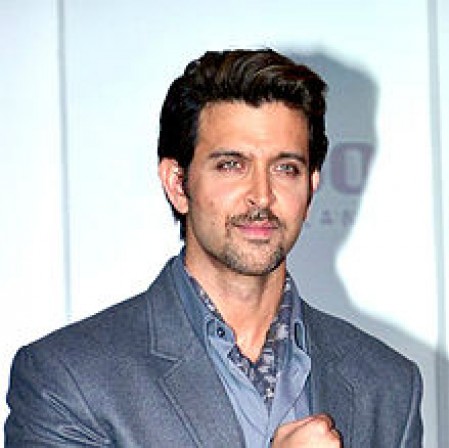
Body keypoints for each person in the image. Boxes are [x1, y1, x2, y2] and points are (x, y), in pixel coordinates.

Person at [5, 49, 423, 447]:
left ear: (311, 188)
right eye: (231, 165)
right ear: (178, 184)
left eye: (285, 168)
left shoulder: (388, 385)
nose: (262, 195)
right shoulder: (69, 378)